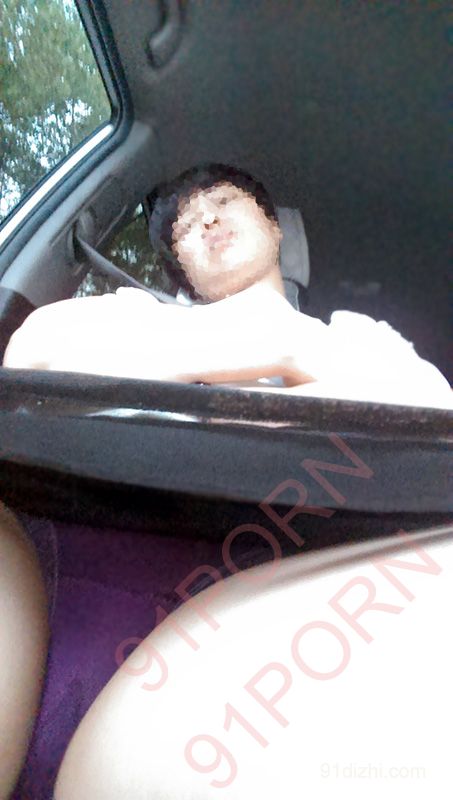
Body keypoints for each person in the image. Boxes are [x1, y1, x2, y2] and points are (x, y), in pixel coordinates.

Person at [3, 164, 452, 408]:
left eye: (224, 201)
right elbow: (31, 356)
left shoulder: (358, 334)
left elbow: (434, 413)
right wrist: (281, 346)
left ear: (275, 228)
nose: (207, 218)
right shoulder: (140, 316)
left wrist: (293, 344)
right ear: (183, 273)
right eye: (184, 228)